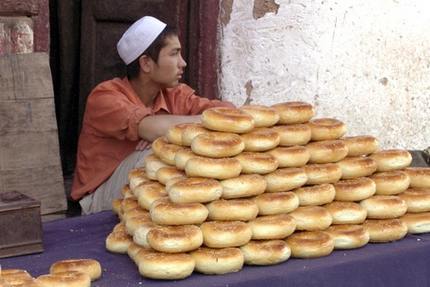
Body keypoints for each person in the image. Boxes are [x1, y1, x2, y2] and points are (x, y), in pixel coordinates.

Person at [71, 16, 234, 214]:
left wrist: (170, 133)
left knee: (195, 151)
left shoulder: (175, 94)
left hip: (145, 194)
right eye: (174, 54)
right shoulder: (104, 96)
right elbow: (151, 129)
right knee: (160, 154)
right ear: (146, 63)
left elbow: (228, 112)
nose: (182, 63)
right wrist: (185, 131)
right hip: (98, 199)